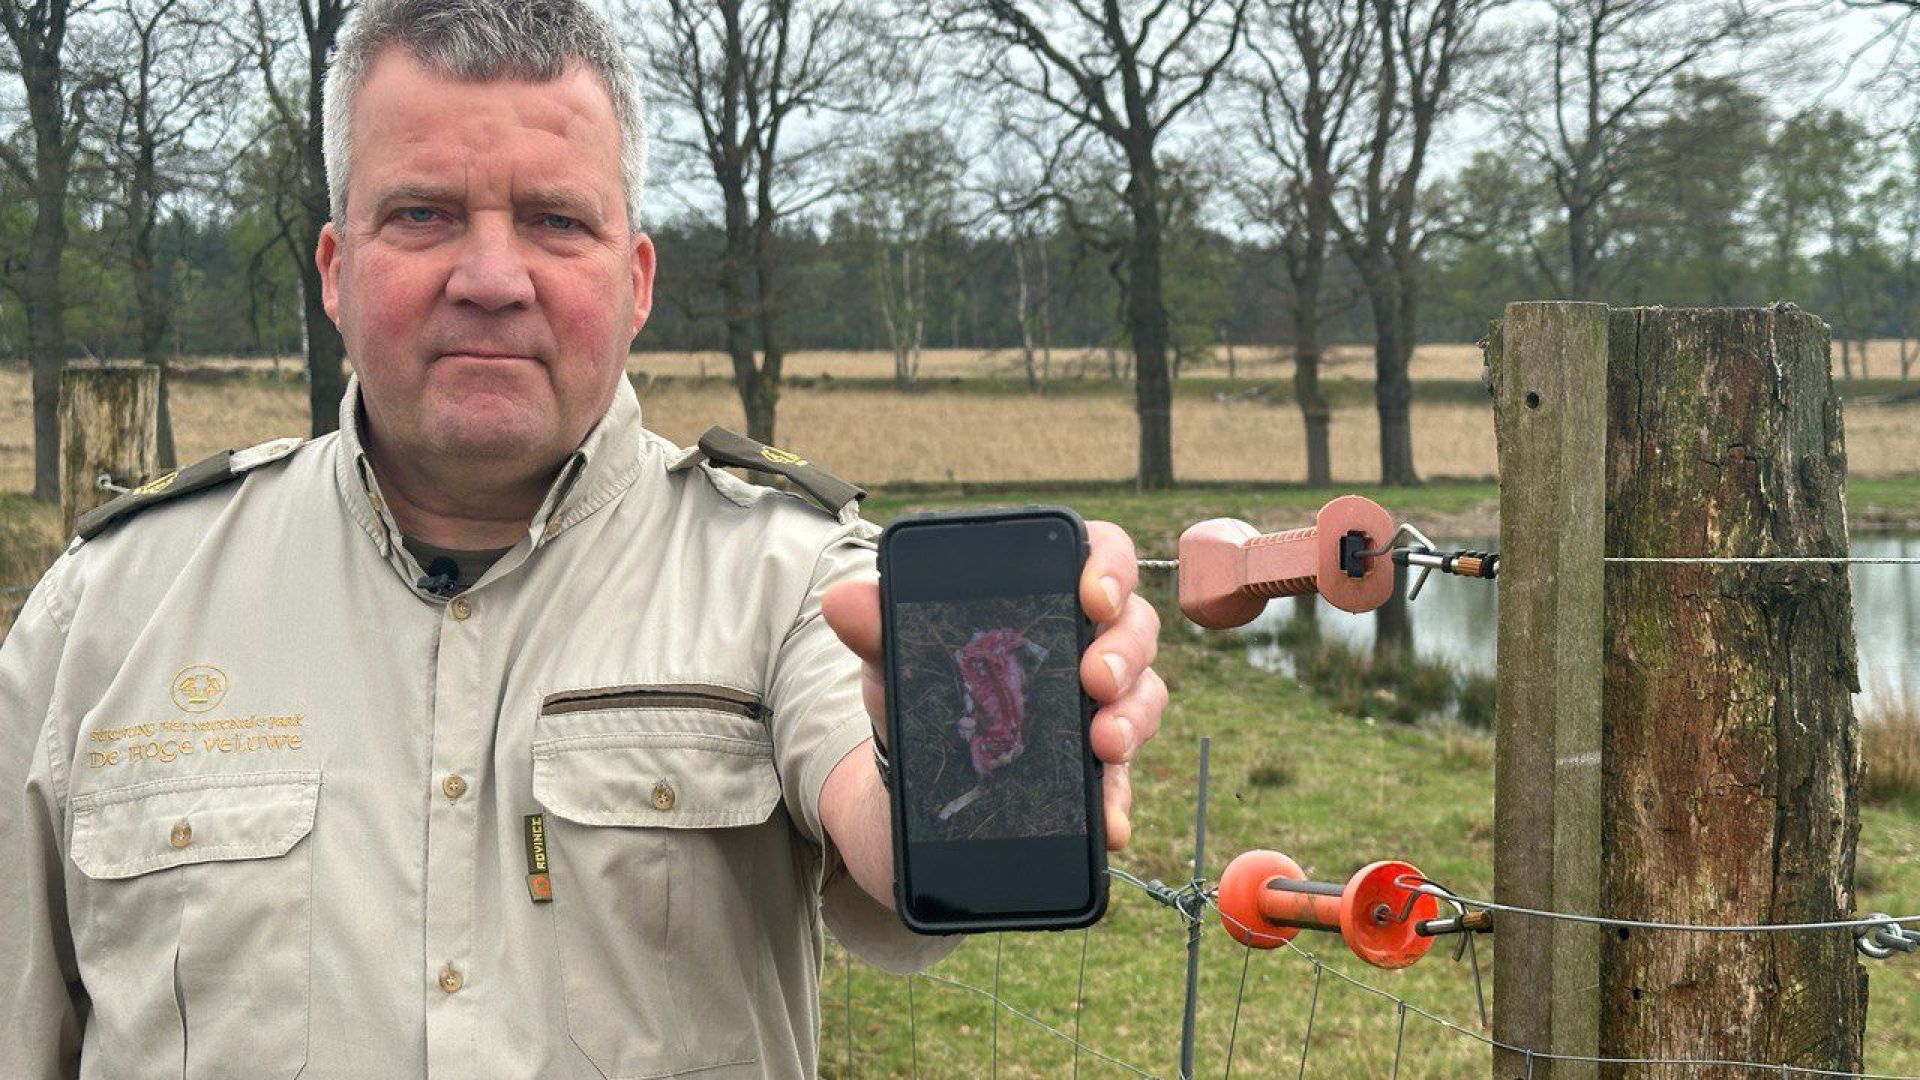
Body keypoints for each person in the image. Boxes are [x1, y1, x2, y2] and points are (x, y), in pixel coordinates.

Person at [0, 1, 1169, 1077]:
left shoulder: (786, 576)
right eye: (423, 214)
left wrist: (974, 750)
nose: (490, 278)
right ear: (336, 270)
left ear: (636, 279)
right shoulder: (107, 610)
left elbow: (887, 822)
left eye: (556, 221)